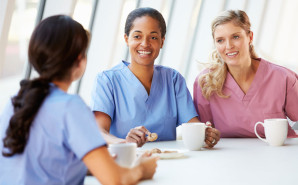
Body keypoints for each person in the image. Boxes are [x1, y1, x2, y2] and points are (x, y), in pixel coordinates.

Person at [0, 15, 158, 185]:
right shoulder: (71, 107)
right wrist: (142, 168)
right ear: (79, 60)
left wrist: (91, 163)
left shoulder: (15, 103)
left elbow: (38, 165)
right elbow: (116, 180)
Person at [91, 7, 220, 147]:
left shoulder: (173, 79)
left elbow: (192, 125)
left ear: (162, 42)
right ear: (126, 39)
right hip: (127, 161)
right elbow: (99, 132)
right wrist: (125, 143)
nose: (145, 44)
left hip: (169, 160)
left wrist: (206, 133)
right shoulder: (107, 80)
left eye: (153, 37)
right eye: (137, 36)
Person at [193, 10, 298, 138]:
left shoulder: (283, 78)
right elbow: (203, 132)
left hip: (280, 155)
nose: (228, 46)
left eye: (235, 37)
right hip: (227, 157)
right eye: (220, 40)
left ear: (250, 37)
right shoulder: (205, 83)